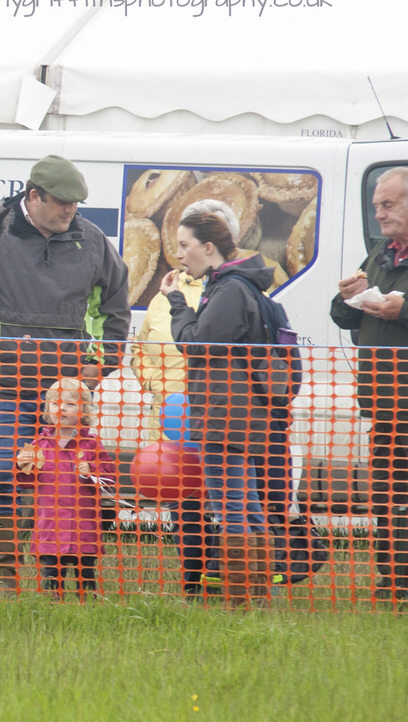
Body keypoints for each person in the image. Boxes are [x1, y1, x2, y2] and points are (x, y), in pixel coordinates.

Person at [0, 154, 130, 592]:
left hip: (67, 391)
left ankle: (67, 578)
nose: (70, 211)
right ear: (33, 197)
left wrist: (99, 365)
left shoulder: (91, 241)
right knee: (2, 477)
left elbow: (114, 306)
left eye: (76, 204)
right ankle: (6, 575)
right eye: (61, 203)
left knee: (71, 485)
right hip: (4, 384)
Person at [161, 204, 275, 608]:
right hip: (242, 413)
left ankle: (240, 600)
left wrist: (177, 301)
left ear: (208, 247)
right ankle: (258, 596)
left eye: (184, 245)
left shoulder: (229, 289)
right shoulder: (239, 285)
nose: (179, 253)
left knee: (231, 509)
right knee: (246, 503)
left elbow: (195, 344)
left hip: (223, 415)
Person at [331, 166, 408, 601]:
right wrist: (347, 298)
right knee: (387, 496)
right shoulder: (380, 252)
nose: (378, 214)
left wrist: (405, 310)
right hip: (383, 402)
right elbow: (343, 317)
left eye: (388, 204)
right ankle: (394, 581)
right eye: (377, 205)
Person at [131, 271, 209, 598]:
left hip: (208, 413)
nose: (179, 255)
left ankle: (221, 576)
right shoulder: (161, 296)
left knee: (216, 501)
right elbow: (140, 350)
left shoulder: (219, 289)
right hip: (167, 418)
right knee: (182, 504)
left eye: (185, 245)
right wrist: (154, 384)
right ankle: (192, 581)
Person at [15, 377, 116, 600]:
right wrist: (22, 466)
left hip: (84, 525)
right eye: (55, 403)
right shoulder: (38, 445)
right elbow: (24, 482)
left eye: (69, 404)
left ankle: (88, 603)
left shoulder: (91, 444)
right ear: (47, 408)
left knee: (85, 573)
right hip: (50, 526)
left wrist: (92, 468)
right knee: (52, 573)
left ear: (84, 410)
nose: (61, 408)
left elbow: (110, 476)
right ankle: (54, 605)